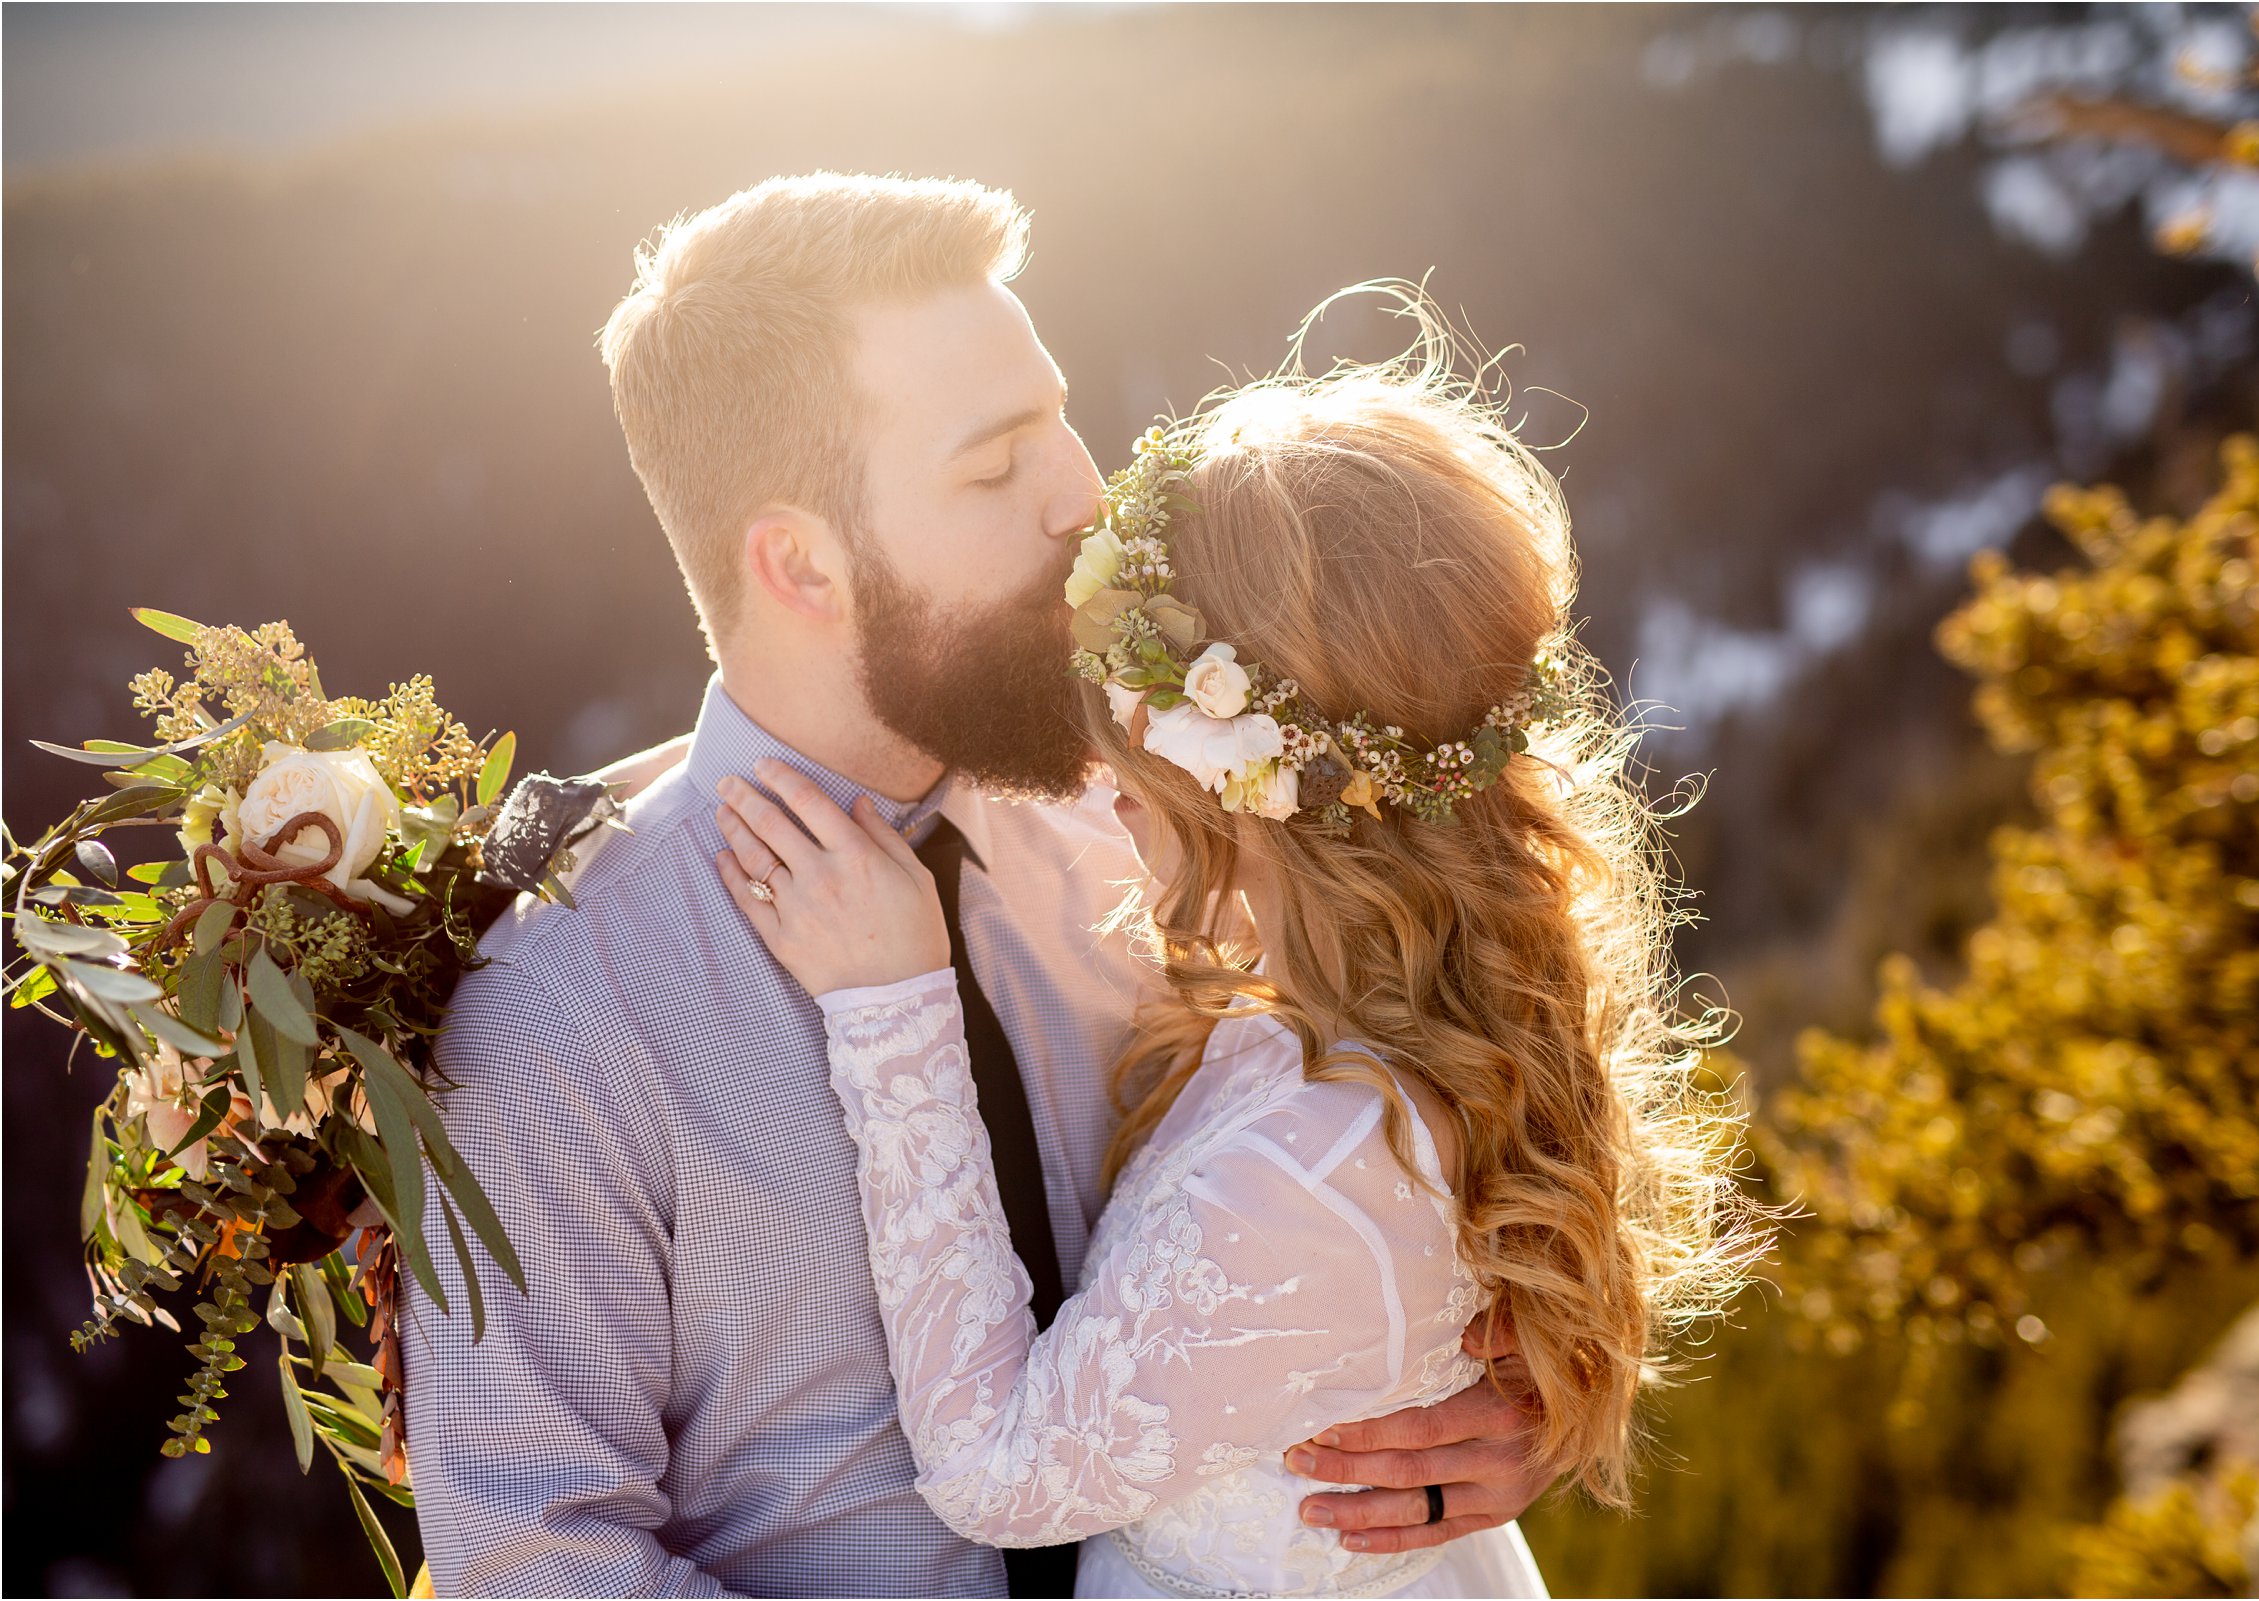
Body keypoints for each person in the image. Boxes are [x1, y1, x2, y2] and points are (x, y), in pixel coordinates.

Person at [400, 174, 1558, 1597]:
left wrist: (1499, 1385)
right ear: (800, 563)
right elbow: (533, 1560)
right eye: (993, 466)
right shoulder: (566, 1013)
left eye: (1055, 416)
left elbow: (1402, 1125)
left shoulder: (1162, 809)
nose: (1082, 490)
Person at [707, 311, 1761, 1597]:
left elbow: (995, 1472)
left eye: (1129, 721)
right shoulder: (1385, 996)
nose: (1095, 764)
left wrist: (891, 1010)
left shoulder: (1319, 1159)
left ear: (1253, 771)